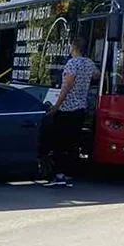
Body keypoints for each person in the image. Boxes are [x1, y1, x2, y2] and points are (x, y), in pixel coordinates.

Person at [44, 37, 97, 186]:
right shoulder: (89, 63)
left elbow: (67, 86)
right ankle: (68, 174)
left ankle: (58, 176)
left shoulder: (72, 63)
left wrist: (56, 107)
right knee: (72, 143)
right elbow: (97, 75)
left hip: (66, 109)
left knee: (58, 143)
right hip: (80, 108)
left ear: (74, 47)